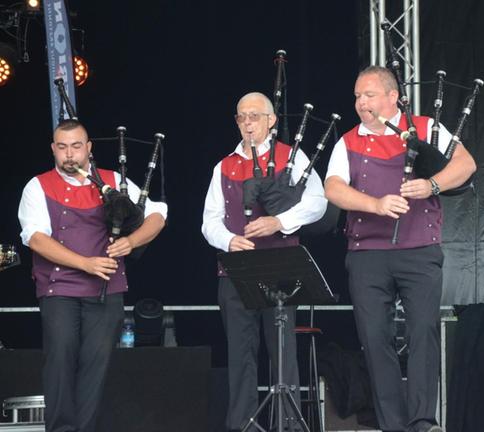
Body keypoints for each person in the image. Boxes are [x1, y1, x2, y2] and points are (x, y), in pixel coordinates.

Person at [324, 65, 476, 432]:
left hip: (419, 249)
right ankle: (393, 424)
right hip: (366, 254)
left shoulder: (424, 127)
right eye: (358, 96)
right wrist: (375, 204)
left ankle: (423, 421)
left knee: (422, 331)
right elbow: (333, 187)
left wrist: (432, 185)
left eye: (369, 95)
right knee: (375, 339)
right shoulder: (348, 140)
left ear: (393, 97)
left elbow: (466, 164)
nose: (361, 103)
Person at [18, 119, 167, 432]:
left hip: (106, 289)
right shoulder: (38, 185)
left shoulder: (111, 180)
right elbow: (35, 238)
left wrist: (131, 241)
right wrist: (86, 264)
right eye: (62, 147)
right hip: (59, 288)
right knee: (60, 359)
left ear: (88, 148)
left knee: (96, 366)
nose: (69, 154)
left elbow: (158, 213)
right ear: (53, 150)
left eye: (76, 146)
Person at [201, 92, 327, 432]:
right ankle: (243, 424)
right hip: (236, 268)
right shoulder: (224, 165)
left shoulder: (291, 156)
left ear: (271, 120)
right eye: (241, 117)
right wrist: (229, 240)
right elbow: (209, 220)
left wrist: (279, 221)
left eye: (254, 116)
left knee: (282, 350)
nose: (247, 123)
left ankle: (287, 424)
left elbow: (318, 202)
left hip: (281, 264)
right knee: (240, 353)